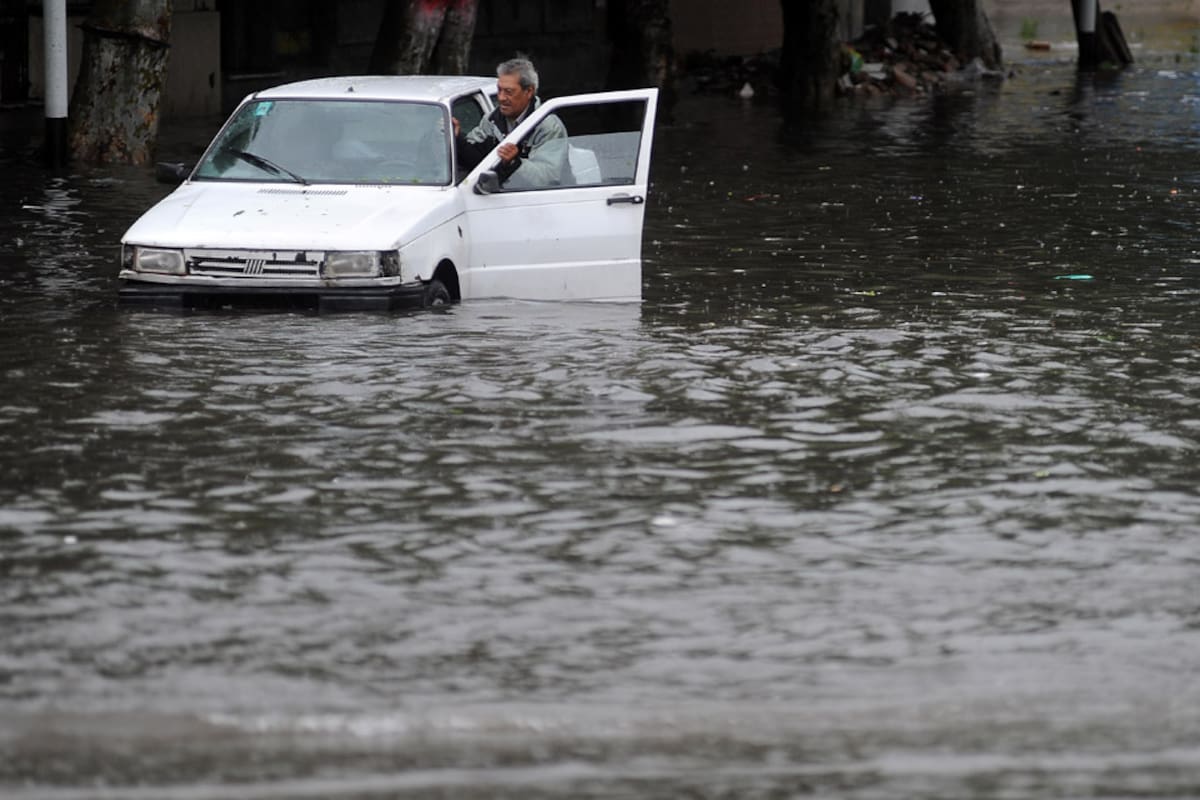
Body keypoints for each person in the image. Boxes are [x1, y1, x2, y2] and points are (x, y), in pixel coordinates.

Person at [454, 56, 570, 188]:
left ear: (529, 91)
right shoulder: (492, 120)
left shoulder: (548, 126)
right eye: (499, 90)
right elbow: (477, 160)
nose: (501, 98)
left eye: (508, 92)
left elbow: (549, 178)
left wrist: (515, 162)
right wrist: (458, 138)